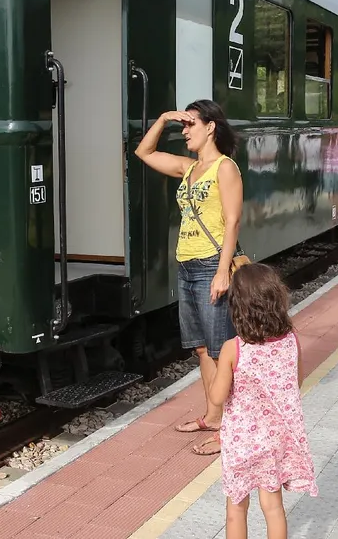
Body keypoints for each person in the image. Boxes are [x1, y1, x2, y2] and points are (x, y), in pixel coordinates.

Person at [134, 99, 243, 455]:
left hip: (212, 265)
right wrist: (164, 117)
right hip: (186, 265)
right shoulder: (188, 168)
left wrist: (223, 271)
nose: (184, 132)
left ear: (211, 127)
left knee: (218, 351)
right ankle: (213, 416)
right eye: (182, 126)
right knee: (200, 349)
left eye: (190, 124)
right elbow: (144, 151)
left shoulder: (225, 168)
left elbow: (233, 222)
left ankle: (229, 426)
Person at [210, 263, 318, 539]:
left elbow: (217, 397)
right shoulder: (290, 339)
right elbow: (296, 381)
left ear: (237, 308)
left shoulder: (233, 349)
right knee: (273, 507)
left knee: (236, 507)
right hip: (275, 440)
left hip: (241, 442)